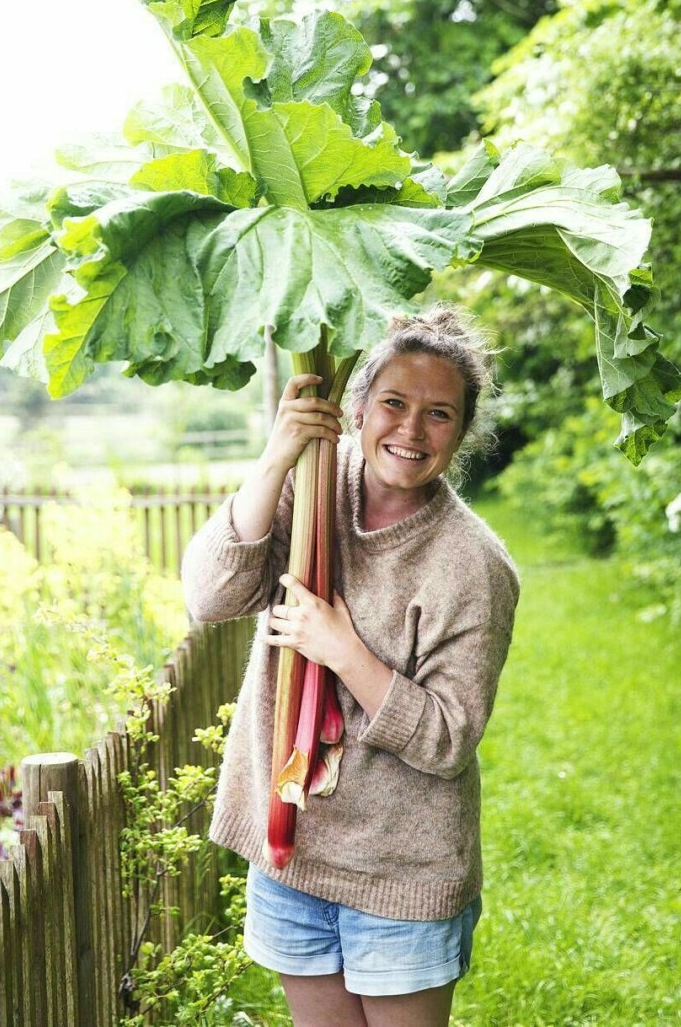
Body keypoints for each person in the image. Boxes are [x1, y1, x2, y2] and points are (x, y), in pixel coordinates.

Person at [182, 305, 520, 1027]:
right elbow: (210, 596)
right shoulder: (313, 480)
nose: (410, 429)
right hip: (293, 852)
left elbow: (448, 736)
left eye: (438, 414)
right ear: (358, 407)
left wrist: (341, 649)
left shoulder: (473, 565)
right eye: (394, 403)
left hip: (401, 870)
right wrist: (275, 457)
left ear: (460, 435)